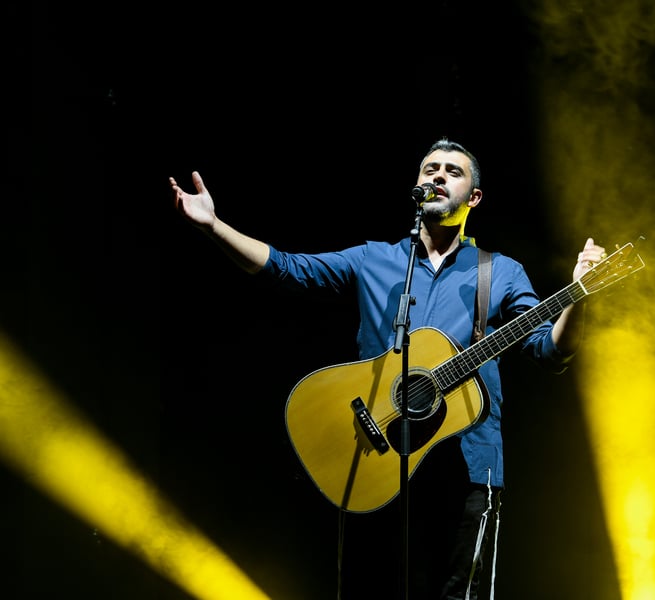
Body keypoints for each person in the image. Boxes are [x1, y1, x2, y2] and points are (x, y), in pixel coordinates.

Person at [169, 137, 607, 599]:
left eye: (452, 172)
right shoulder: (374, 258)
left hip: (467, 469)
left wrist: (579, 298)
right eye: (429, 169)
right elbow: (287, 269)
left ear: (474, 197)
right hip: (373, 459)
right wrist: (214, 226)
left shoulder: (499, 272)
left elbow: (549, 351)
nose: (437, 176)